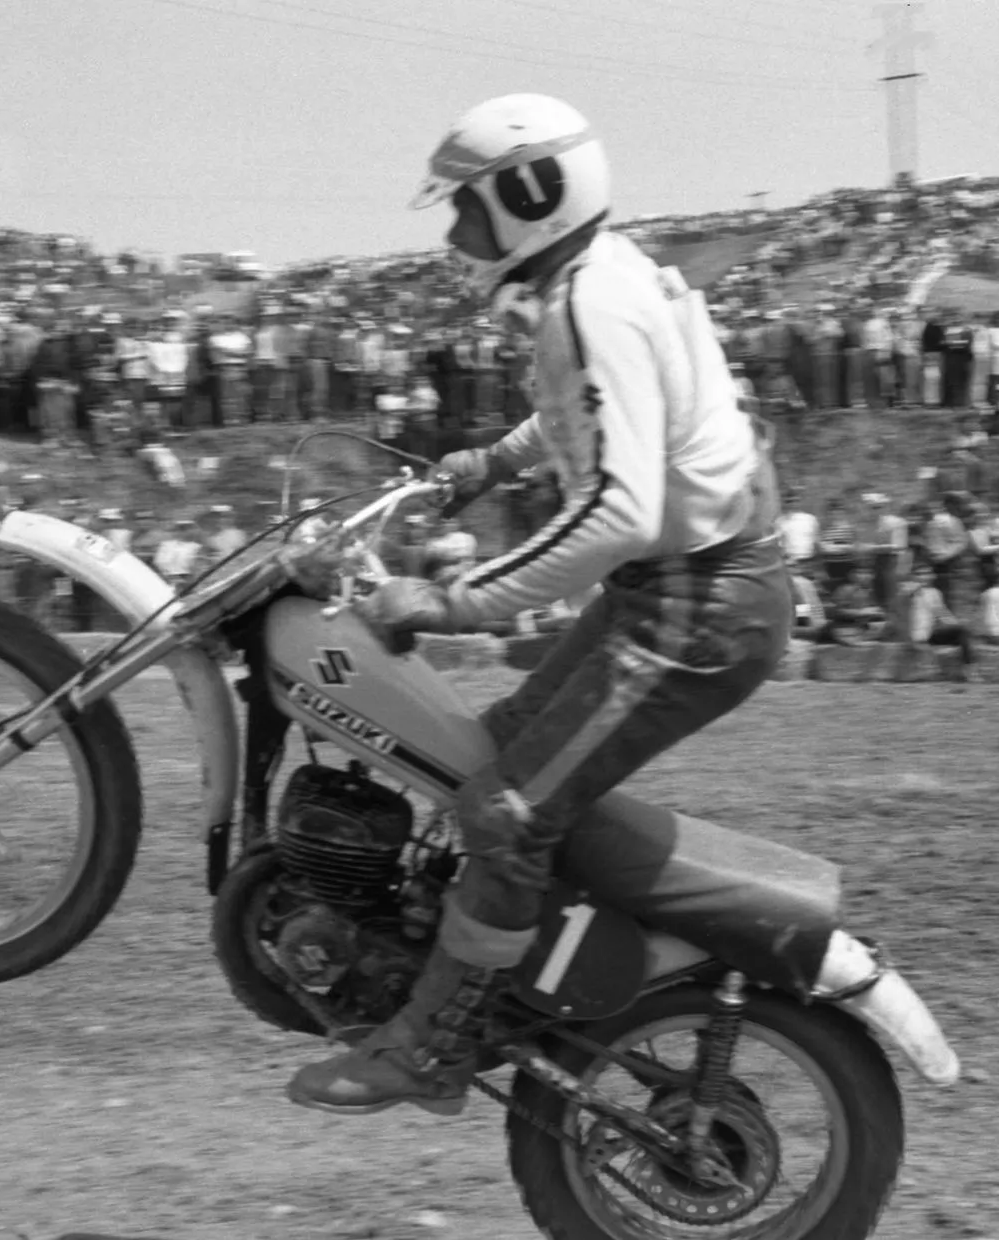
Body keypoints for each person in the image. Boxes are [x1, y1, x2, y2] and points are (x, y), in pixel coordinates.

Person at [279, 93, 790, 1117]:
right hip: (683, 590)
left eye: (467, 210)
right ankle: (488, 969)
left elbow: (617, 511)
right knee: (490, 748)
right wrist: (490, 462)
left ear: (530, 196)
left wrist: (448, 599)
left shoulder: (590, 305)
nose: (455, 237)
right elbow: (594, 414)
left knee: (506, 813)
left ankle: (434, 1049)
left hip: (698, 607)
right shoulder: (600, 276)